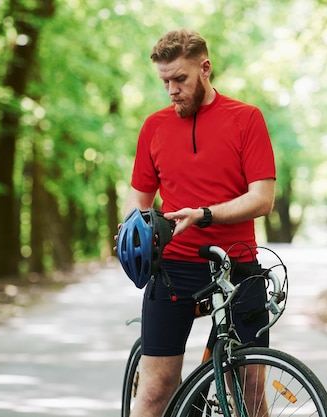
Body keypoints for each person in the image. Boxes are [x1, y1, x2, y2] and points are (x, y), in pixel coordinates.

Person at [121, 28, 276, 417]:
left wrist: (205, 214)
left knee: (252, 395)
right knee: (156, 390)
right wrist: (133, 232)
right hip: (174, 268)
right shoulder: (154, 127)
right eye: (165, 81)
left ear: (204, 69)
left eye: (180, 79)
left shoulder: (246, 119)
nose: (172, 89)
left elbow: (263, 199)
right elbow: (138, 199)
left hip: (238, 265)